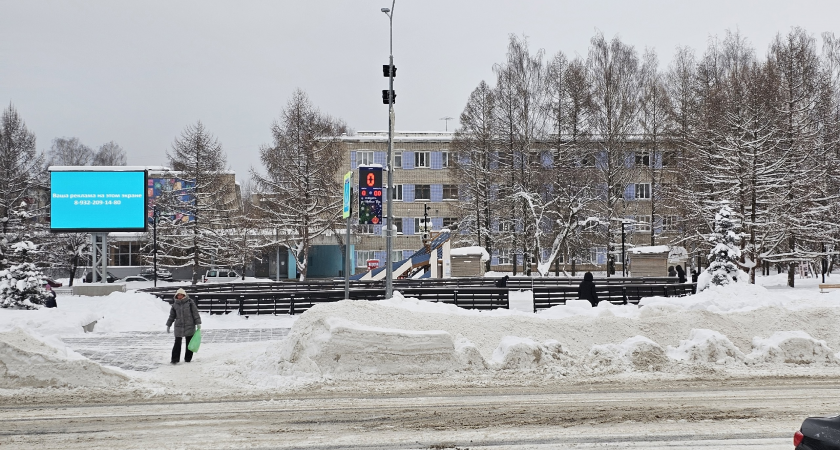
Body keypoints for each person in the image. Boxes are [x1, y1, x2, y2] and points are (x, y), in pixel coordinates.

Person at [166, 288, 201, 364]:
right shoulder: (175, 305)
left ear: (184, 295)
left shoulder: (190, 302)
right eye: (178, 295)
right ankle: (175, 359)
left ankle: (188, 358)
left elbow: (195, 313)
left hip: (189, 325)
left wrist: (198, 323)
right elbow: (172, 316)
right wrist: (168, 325)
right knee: (177, 342)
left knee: (189, 342)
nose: (180, 296)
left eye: (181, 295)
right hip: (178, 326)